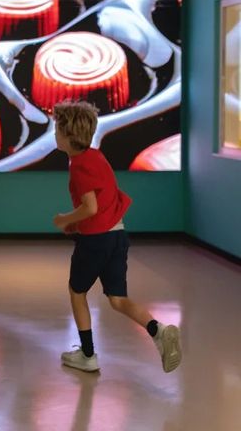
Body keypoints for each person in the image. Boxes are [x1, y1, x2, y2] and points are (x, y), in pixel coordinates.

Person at [51, 100, 182, 373]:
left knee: (77, 292)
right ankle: (158, 330)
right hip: (117, 236)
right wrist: (76, 226)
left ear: (68, 136)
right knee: (117, 299)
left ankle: (87, 356)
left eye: (57, 130)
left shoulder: (78, 166)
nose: (54, 135)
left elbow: (90, 207)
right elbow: (103, 202)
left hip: (95, 241)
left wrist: (65, 218)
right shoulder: (96, 156)